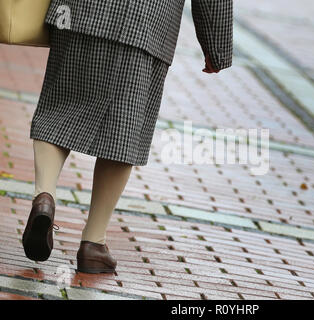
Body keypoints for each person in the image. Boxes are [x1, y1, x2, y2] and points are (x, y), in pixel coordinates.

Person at [22, 0, 233, 274]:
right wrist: (217, 47)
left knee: (59, 106)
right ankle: (93, 243)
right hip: (145, 24)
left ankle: (44, 196)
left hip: (78, 11)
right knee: (125, 129)